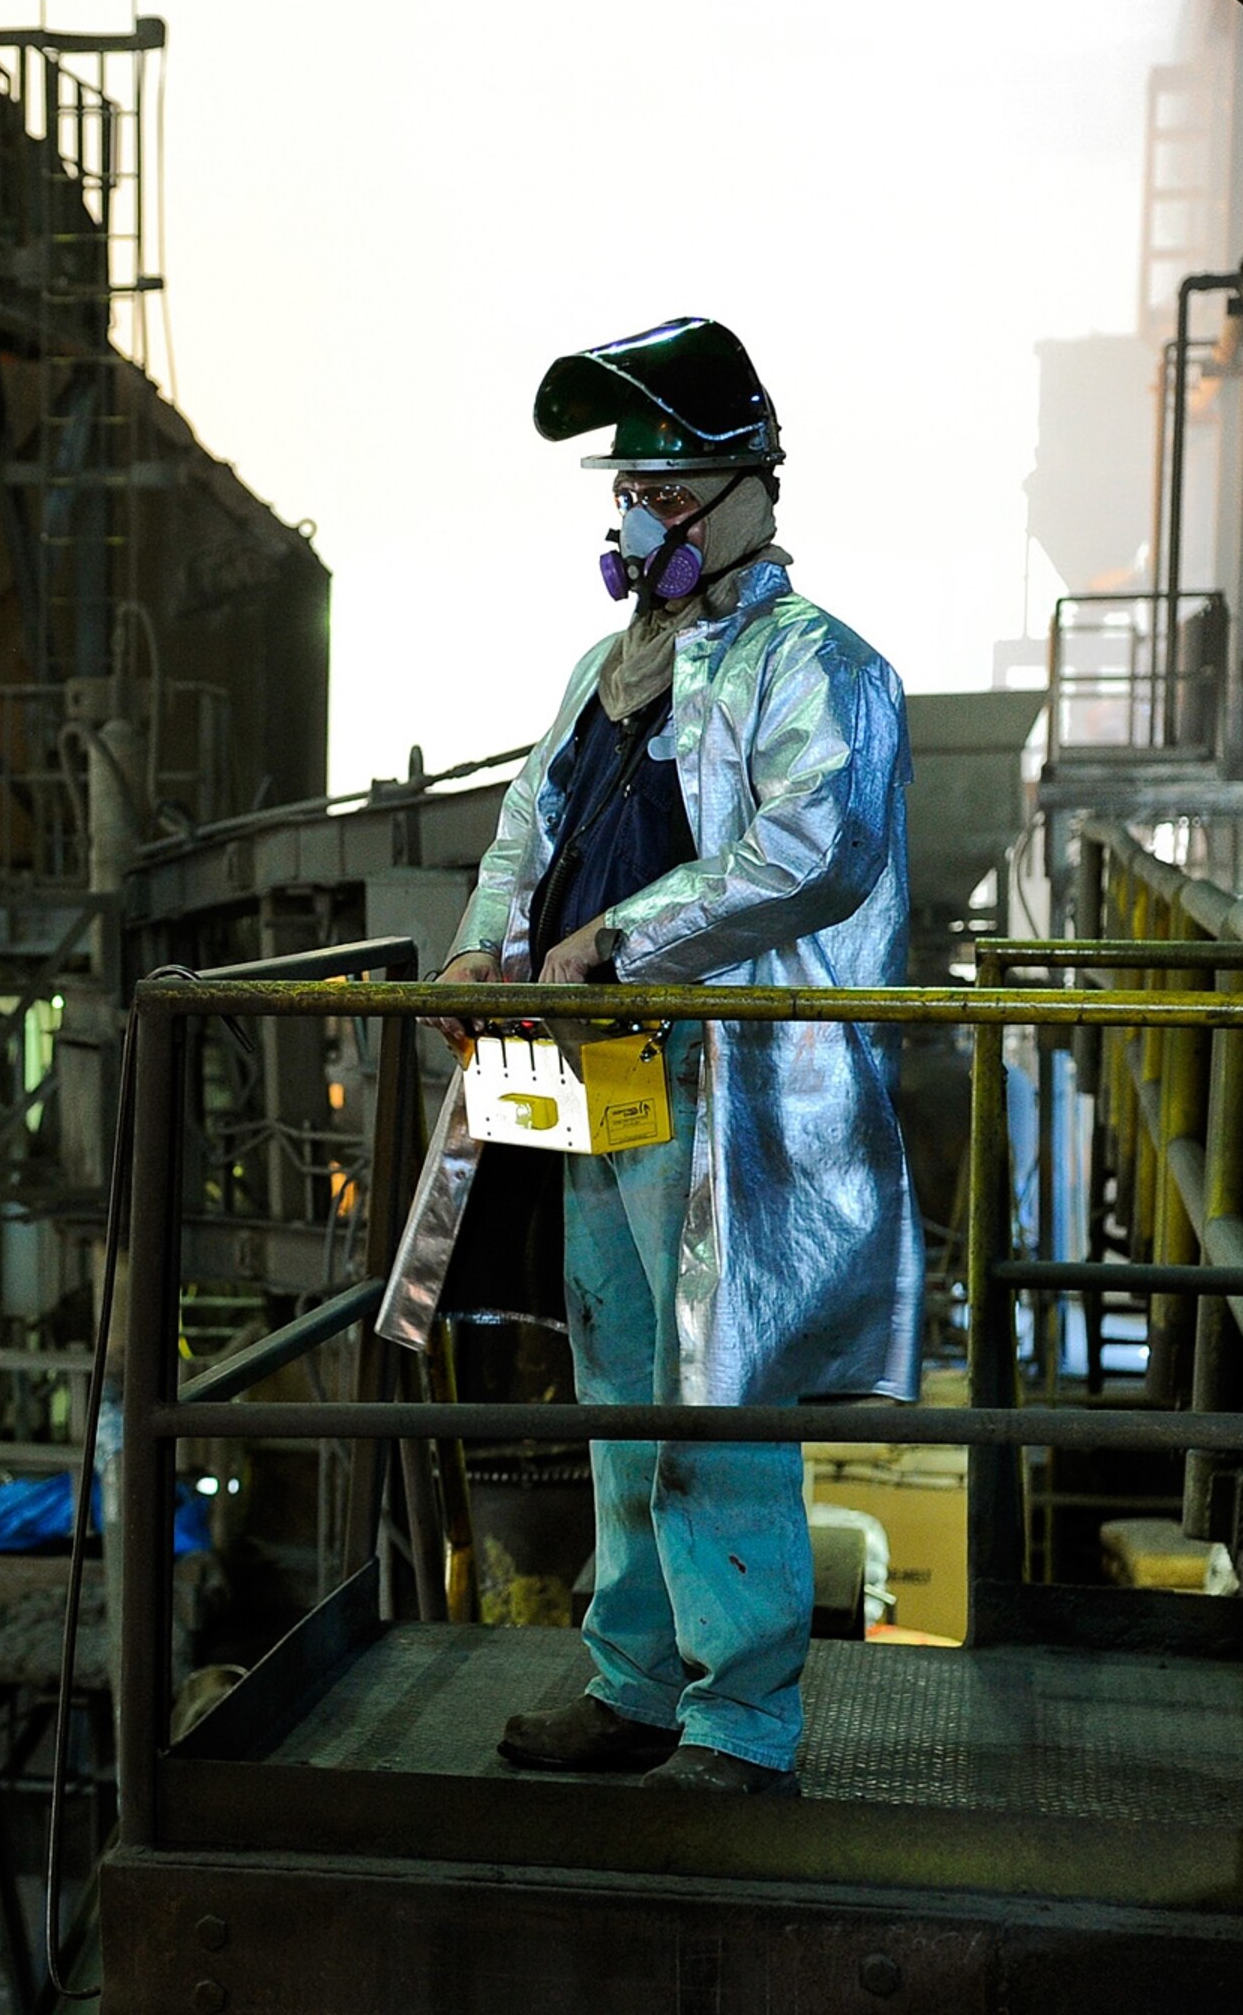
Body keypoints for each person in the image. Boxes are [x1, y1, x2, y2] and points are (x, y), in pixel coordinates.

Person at [439, 318, 920, 1797]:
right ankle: (636, 1680)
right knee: (623, 1383)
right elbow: (536, 821)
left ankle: (741, 1721)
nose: (642, 522)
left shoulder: (823, 671)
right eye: (628, 495)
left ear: (744, 494)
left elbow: (811, 849)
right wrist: (484, 945)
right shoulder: (611, 667)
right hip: (604, 1083)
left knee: (718, 1400)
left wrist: (611, 943)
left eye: (666, 494)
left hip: (735, 1101)